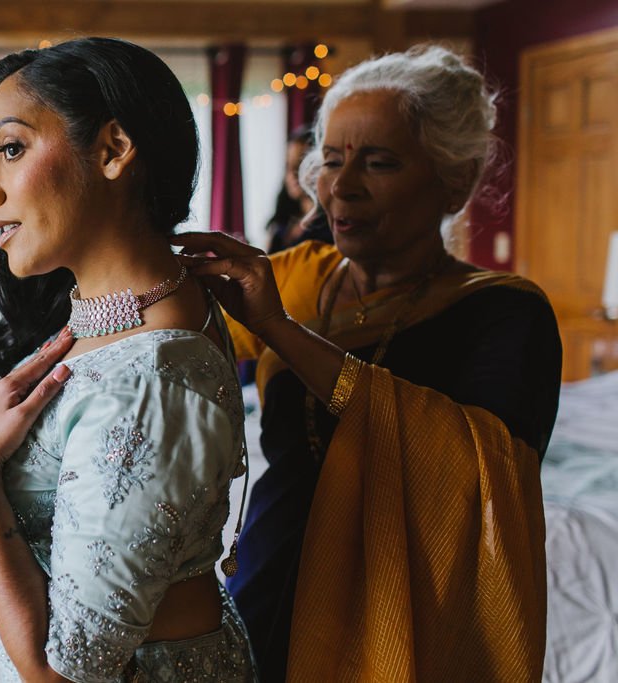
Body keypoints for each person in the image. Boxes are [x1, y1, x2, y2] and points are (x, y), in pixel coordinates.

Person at [173, 44, 562, 682]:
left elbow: (476, 469)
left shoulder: (504, 313)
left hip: (406, 598)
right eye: (330, 160)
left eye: (378, 162)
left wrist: (278, 329)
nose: (341, 186)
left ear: (455, 179)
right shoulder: (299, 277)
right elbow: (159, 344)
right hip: (274, 567)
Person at [0, 38, 257, 682]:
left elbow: (61, 674)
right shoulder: (134, 304)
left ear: (114, 150)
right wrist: (14, 574)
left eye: (10, 150)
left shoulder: (153, 378)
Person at [264, 126, 332, 254]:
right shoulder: (282, 222)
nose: (293, 173)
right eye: (288, 165)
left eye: (301, 164)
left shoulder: (330, 225)